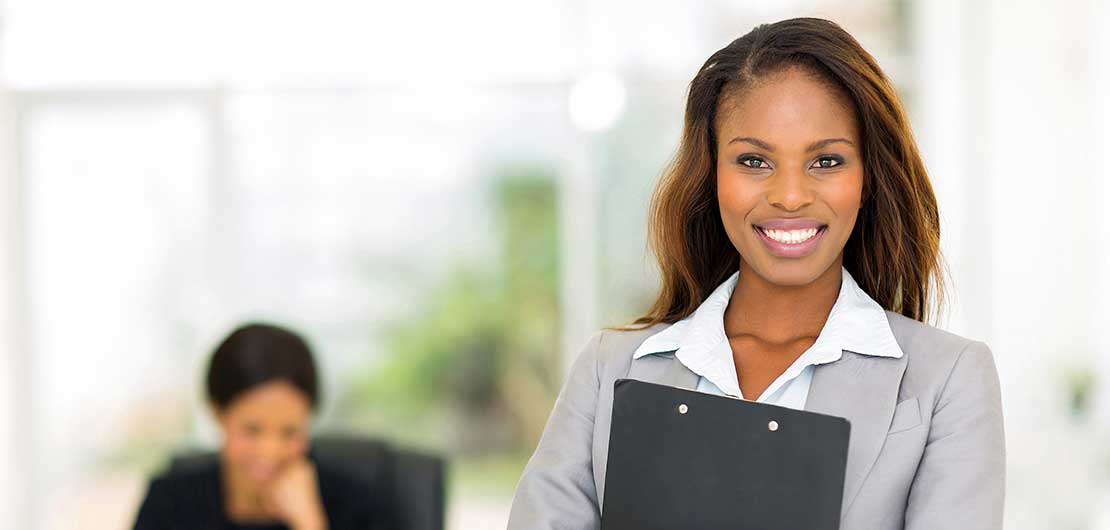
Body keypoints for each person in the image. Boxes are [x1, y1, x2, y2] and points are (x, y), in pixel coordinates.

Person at [508, 17, 1005, 530]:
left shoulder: (948, 380)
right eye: (754, 161)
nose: (790, 196)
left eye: (827, 161)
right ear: (711, 176)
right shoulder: (609, 371)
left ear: (868, 178)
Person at [133, 323, 391, 530]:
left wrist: (309, 523)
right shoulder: (169, 503)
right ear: (218, 414)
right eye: (252, 430)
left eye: (290, 432)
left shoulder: (355, 505)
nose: (270, 451)